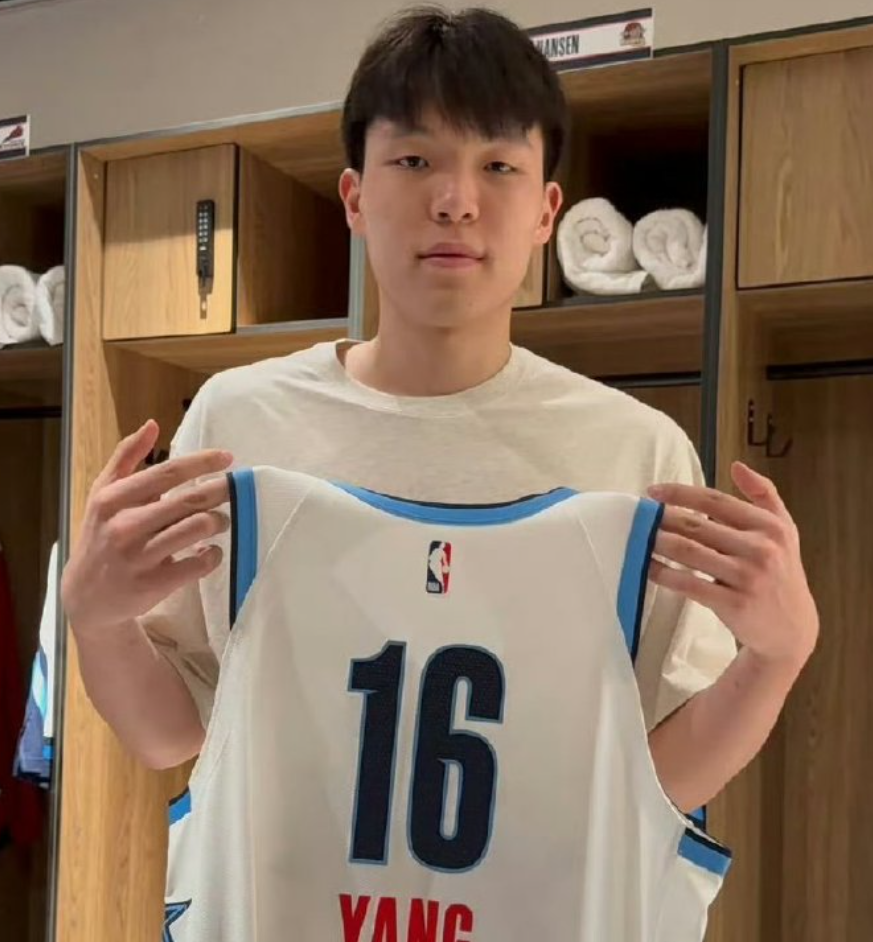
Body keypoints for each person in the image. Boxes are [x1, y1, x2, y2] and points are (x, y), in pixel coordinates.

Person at [61, 3, 818, 933]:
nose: (455, 199)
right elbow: (171, 731)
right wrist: (95, 619)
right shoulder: (239, 422)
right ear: (353, 196)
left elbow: (657, 774)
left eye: (498, 166)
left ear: (545, 211)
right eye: (414, 159)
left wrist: (776, 658)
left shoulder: (634, 452)